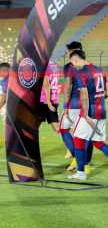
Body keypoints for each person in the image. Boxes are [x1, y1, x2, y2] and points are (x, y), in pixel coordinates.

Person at [68, 50, 108, 181]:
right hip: (102, 111)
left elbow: (84, 94)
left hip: (90, 112)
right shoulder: (98, 70)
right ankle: (81, 172)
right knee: (98, 142)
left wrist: (86, 114)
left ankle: (81, 173)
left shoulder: (81, 73)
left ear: (75, 60)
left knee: (78, 140)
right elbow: (106, 92)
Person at [59, 41, 93, 171]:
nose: (68, 53)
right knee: (87, 134)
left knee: (63, 129)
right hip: (89, 105)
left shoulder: (69, 66)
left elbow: (68, 85)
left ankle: (77, 157)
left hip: (74, 104)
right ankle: (87, 163)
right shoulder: (91, 66)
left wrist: (65, 104)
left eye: (69, 51)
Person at [39, 62, 61, 132]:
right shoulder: (55, 65)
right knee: (55, 125)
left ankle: (70, 140)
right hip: (55, 98)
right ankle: (68, 139)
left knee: (35, 125)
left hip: (44, 100)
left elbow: (46, 85)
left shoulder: (43, 67)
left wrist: (48, 102)